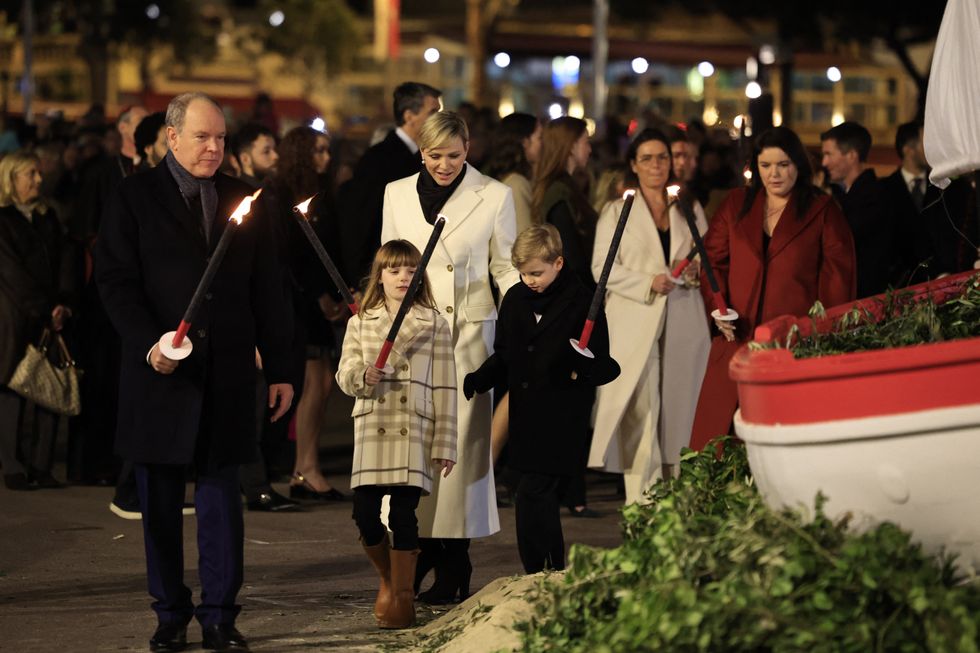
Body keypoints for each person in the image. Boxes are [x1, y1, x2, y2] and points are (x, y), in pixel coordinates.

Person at [96, 92, 294, 653]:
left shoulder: (243, 199)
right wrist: (147, 345)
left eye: (221, 138)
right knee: (157, 502)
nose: (214, 148)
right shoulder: (133, 197)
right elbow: (115, 282)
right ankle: (169, 612)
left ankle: (219, 614)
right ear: (172, 137)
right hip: (160, 373)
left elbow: (268, 291)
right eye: (203, 137)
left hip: (226, 374)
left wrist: (280, 367)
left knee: (220, 500)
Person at [381, 110, 519, 603]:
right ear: (421, 151)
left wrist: (522, 318)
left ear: (469, 148)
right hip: (413, 337)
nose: (444, 165)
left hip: (467, 340)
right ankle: (418, 553)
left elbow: (505, 267)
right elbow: (389, 260)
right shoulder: (395, 193)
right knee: (412, 449)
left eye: (454, 156)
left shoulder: (495, 195)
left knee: (456, 454)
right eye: (434, 156)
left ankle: (455, 562)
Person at [690, 126, 856, 452]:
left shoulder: (822, 210)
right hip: (735, 337)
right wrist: (717, 308)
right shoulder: (737, 203)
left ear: (798, 165)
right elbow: (713, 262)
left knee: (781, 436)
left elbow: (838, 281)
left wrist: (817, 334)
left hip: (791, 343)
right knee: (718, 442)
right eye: (766, 166)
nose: (774, 174)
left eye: (783, 164)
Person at [464, 224, 618, 572]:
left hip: (562, 414)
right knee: (532, 493)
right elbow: (506, 352)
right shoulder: (517, 299)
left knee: (536, 490)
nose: (529, 279)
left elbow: (606, 365)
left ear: (559, 263)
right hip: (526, 415)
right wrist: (481, 377)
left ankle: (541, 568)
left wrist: (583, 364)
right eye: (522, 273)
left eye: (536, 272)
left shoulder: (582, 302)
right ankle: (545, 567)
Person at [336, 239, 457, 629]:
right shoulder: (360, 321)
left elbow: (445, 386)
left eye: (410, 270)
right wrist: (362, 376)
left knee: (404, 514)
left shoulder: (435, 323)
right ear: (380, 276)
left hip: (413, 428)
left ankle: (404, 594)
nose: (403, 277)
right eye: (394, 270)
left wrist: (446, 442)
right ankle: (388, 579)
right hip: (374, 425)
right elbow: (344, 373)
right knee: (365, 513)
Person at [587, 129, 710, 503]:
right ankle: (643, 503)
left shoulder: (688, 206)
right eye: (647, 158)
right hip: (634, 321)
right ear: (633, 165)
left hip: (682, 318)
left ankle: (679, 499)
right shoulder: (616, 209)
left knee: (679, 410)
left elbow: (706, 255)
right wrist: (648, 281)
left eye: (662, 158)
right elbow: (601, 268)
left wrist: (693, 272)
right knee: (641, 412)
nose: (656, 165)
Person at [261, 126, 347, 503]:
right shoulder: (280, 194)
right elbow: (290, 254)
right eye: (319, 151)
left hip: (319, 299)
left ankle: (307, 465)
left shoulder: (321, 194)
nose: (326, 158)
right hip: (301, 301)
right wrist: (318, 295)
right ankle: (305, 468)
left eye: (328, 150)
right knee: (315, 382)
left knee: (322, 383)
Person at [0, 151, 72, 491]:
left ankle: (41, 465)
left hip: (48, 315)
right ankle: (12, 465)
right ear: (10, 179)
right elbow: (12, 274)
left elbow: (62, 262)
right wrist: (46, 309)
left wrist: (62, 304)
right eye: (30, 174)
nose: (38, 180)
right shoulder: (2, 221)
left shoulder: (48, 217)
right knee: (12, 389)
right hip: (12, 317)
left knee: (49, 387)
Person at [339, 82, 442, 286]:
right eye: (432, 112)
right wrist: (361, 280)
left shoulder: (428, 156)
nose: (438, 120)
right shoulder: (379, 159)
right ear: (409, 115)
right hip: (386, 273)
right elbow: (360, 224)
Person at [881, 121, 973, 286]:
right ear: (908, 149)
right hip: (903, 288)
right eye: (926, 143)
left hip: (948, 282)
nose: (932, 149)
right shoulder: (884, 190)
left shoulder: (947, 186)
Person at [821, 121, 895, 298]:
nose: (824, 162)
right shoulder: (841, 194)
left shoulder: (876, 196)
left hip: (868, 296)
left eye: (829, 154)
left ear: (852, 155)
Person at [532, 117, 598, 291]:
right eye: (586, 142)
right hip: (576, 290)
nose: (590, 149)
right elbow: (570, 251)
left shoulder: (566, 187)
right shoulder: (559, 191)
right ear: (571, 146)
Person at [483, 112, 542, 237]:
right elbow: (525, 239)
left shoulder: (508, 179)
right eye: (539, 138)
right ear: (525, 142)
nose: (543, 144)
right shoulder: (516, 184)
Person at [231, 123, 279, 190]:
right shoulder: (238, 195)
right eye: (266, 151)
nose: (276, 156)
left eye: (275, 149)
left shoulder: (275, 189)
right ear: (245, 159)